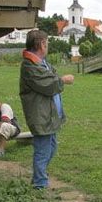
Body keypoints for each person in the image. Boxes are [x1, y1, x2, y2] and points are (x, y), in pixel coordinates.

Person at [19, 30, 74, 189]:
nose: (47, 46)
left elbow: (51, 76)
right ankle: (39, 184)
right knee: (43, 151)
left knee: (51, 148)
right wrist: (63, 80)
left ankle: (38, 178)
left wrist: (57, 79)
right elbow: (49, 85)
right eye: (47, 43)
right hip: (41, 116)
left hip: (49, 115)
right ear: (41, 44)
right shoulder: (29, 65)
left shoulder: (41, 62)